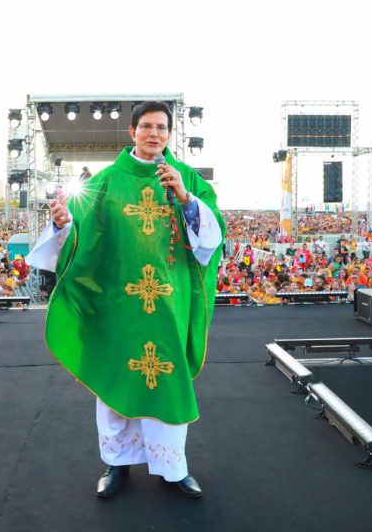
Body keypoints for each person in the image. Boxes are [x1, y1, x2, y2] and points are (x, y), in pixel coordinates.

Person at [27, 101, 225, 499]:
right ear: (132, 132)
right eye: (147, 126)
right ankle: (116, 464)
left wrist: (186, 199)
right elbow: (81, 238)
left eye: (162, 127)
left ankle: (173, 467)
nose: (155, 134)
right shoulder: (106, 181)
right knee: (117, 378)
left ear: (169, 134)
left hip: (171, 302)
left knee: (168, 382)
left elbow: (212, 237)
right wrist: (62, 224)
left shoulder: (187, 178)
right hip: (119, 304)